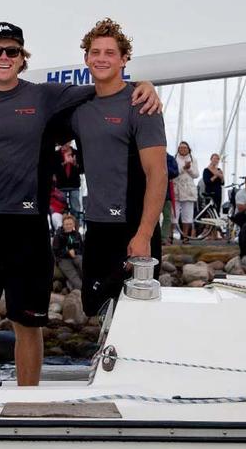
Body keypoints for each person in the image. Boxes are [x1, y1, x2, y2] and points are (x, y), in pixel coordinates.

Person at [0, 21, 159, 387]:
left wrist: (145, 84)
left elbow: (105, 87)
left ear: (22, 58)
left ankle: (27, 400)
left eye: (12, 51)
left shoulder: (45, 96)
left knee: (28, 321)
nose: (4, 57)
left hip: (26, 225)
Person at [60, 18, 167, 317]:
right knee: (96, 309)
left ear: (123, 59)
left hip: (134, 227)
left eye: (110, 53)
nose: (102, 58)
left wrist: (144, 234)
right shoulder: (79, 107)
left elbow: (158, 174)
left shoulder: (141, 103)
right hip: (97, 226)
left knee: (137, 317)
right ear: (86, 58)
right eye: (96, 52)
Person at [173, 141, 198, 238]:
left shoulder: (193, 159)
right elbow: (173, 172)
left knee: (187, 215)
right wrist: (184, 168)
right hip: (176, 189)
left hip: (188, 190)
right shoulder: (174, 159)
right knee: (173, 214)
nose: (183, 149)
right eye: (181, 147)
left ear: (188, 149)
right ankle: (170, 236)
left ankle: (185, 236)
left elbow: (196, 174)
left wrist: (189, 168)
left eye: (185, 148)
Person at [52, 214, 83, 290]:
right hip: (63, 259)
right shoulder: (58, 236)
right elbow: (55, 252)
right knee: (75, 278)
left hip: (75, 256)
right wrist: (67, 252)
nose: (69, 226)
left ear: (74, 224)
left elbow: (82, 248)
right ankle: (77, 287)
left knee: (81, 260)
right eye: (66, 224)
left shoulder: (77, 234)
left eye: (70, 224)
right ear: (63, 224)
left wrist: (75, 251)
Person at [53, 143, 83, 221]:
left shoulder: (76, 153)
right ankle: (62, 228)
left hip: (74, 185)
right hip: (61, 185)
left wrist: (75, 164)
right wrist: (64, 163)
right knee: (61, 209)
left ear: (69, 143)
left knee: (75, 208)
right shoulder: (56, 154)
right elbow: (53, 170)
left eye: (66, 143)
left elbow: (82, 170)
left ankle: (76, 228)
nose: (64, 145)